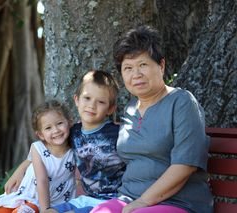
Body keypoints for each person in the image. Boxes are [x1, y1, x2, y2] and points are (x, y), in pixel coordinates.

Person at [90, 26, 213, 213]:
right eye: (128, 68)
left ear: (161, 65)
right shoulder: (130, 108)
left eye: (143, 65)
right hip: (129, 198)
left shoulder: (182, 102)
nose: (136, 74)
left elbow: (185, 165)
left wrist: (143, 202)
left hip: (178, 203)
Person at [7, 70, 126, 213]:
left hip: (113, 201)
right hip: (87, 199)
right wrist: (20, 170)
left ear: (111, 109)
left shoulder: (118, 133)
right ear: (77, 100)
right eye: (87, 98)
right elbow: (44, 150)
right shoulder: (73, 132)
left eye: (100, 102)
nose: (92, 105)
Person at [0, 100, 76, 213]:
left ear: (70, 122)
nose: (56, 130)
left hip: (56, 200)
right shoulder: (38, 148)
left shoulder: (75, 148)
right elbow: (42, 180)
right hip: (30, 195)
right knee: (0, 211)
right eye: (48, 128)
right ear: (41, 135)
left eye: (59, 123)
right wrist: (45, 211)